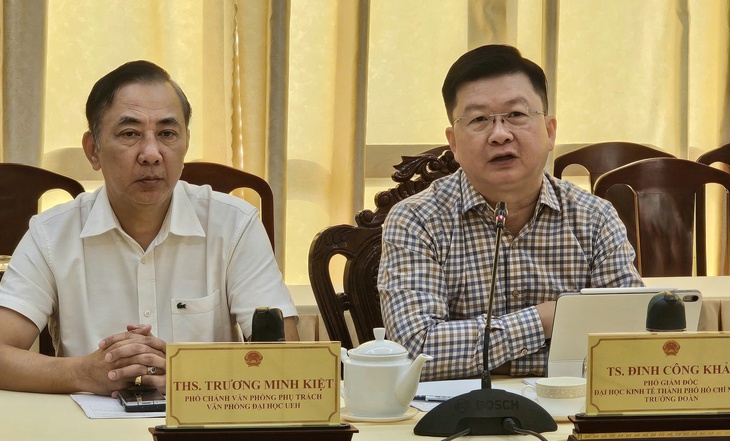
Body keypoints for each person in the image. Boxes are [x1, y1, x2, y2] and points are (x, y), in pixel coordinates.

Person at [0, 60, 299, 396]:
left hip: (203, 420)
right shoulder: (51, 234)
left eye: (167, 134)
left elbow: (286, 356)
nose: (152, 154)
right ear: (93, 150)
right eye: (130, 134)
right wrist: (85, 372)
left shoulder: (234, 225)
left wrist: (190, 376)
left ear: (186, 144)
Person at [378, 45, 643, 381]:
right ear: (454, 143)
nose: (500, 134)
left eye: (516, 114)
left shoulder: (595, 218)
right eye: (478, 119)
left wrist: (495, 362)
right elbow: (417, 350)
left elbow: (629, 344)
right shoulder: (415, 220)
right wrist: (547, 319)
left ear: (549, 131)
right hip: (460, 411)